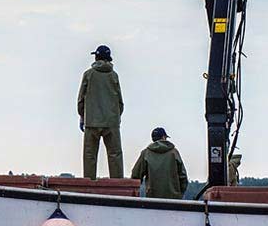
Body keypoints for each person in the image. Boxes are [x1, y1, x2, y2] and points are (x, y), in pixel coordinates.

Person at [77, 45, 124, 179]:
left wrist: (82, 116)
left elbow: (81, 99)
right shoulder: (114, 76)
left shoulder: (88, 74)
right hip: (111, 122)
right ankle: (118, 187)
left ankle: (89, 185)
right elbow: (120, 101)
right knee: (115, 155)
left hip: (91, 121)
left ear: (96, 57)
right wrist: (116, 116)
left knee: (89, 155)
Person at [131, 127, 188, 199]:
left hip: (152, 199)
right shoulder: (174, 152)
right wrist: (180, 193)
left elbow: (135, 176)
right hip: (173, 199)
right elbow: (183, 176)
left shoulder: (146, 153)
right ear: (164, 137)